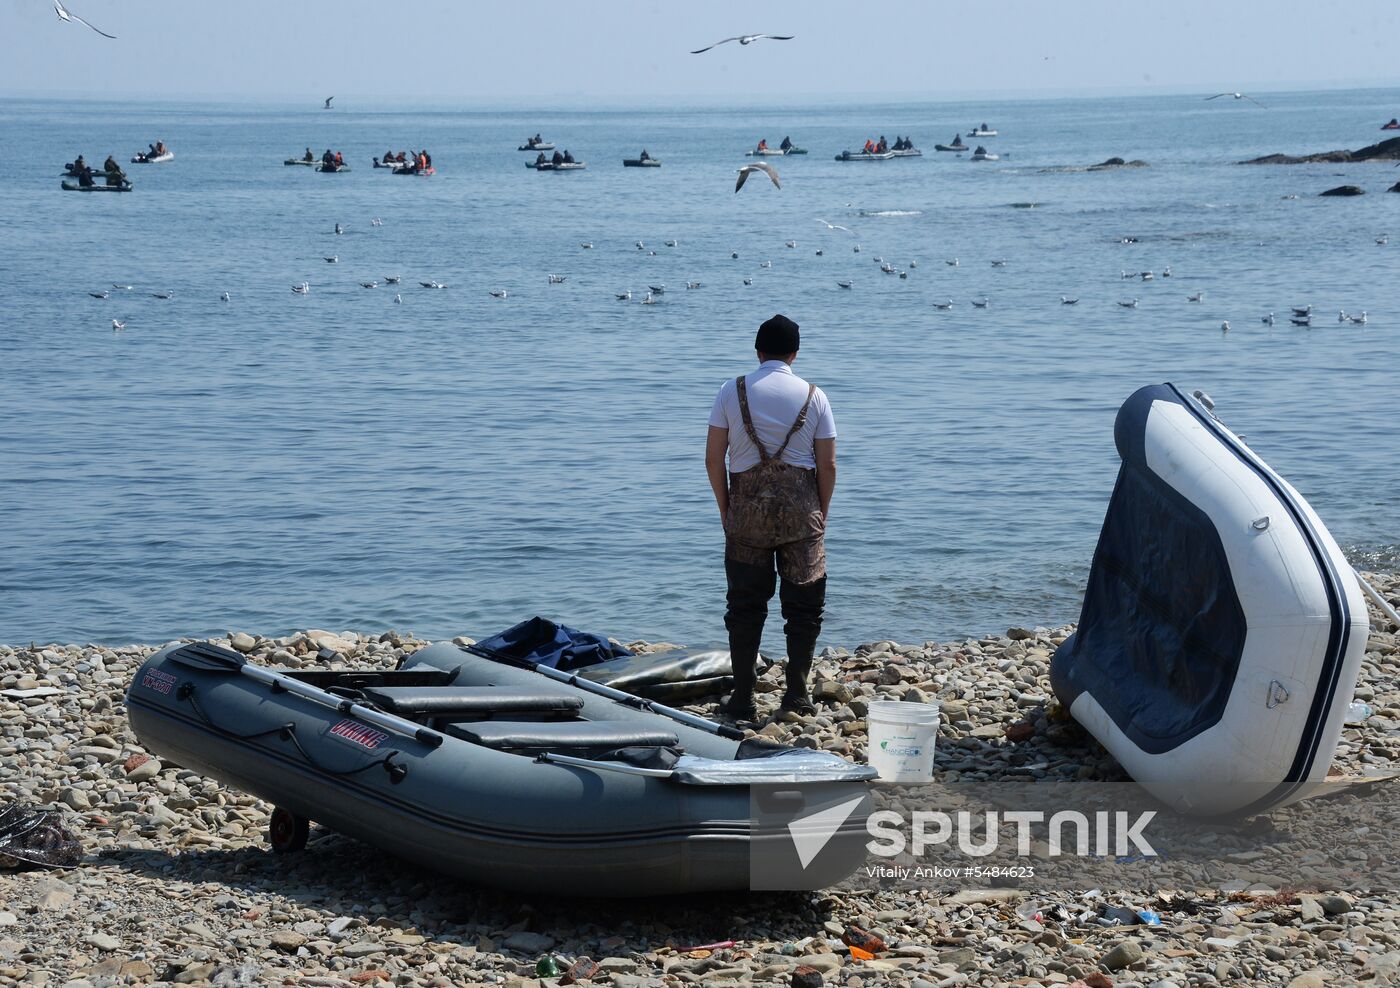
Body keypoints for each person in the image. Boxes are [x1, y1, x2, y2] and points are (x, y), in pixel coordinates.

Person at [706, 314, 837, 722]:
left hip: (746, 515)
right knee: (804, 608)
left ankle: (743, 699)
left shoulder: (732, 390)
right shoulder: (815, 396)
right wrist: (822, 512)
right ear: (795, 354)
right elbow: (828, 464)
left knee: (744, 606)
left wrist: (725, 507)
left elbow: (713, 459)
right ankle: (797, 695)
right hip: (803, 516)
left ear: (758, 350)